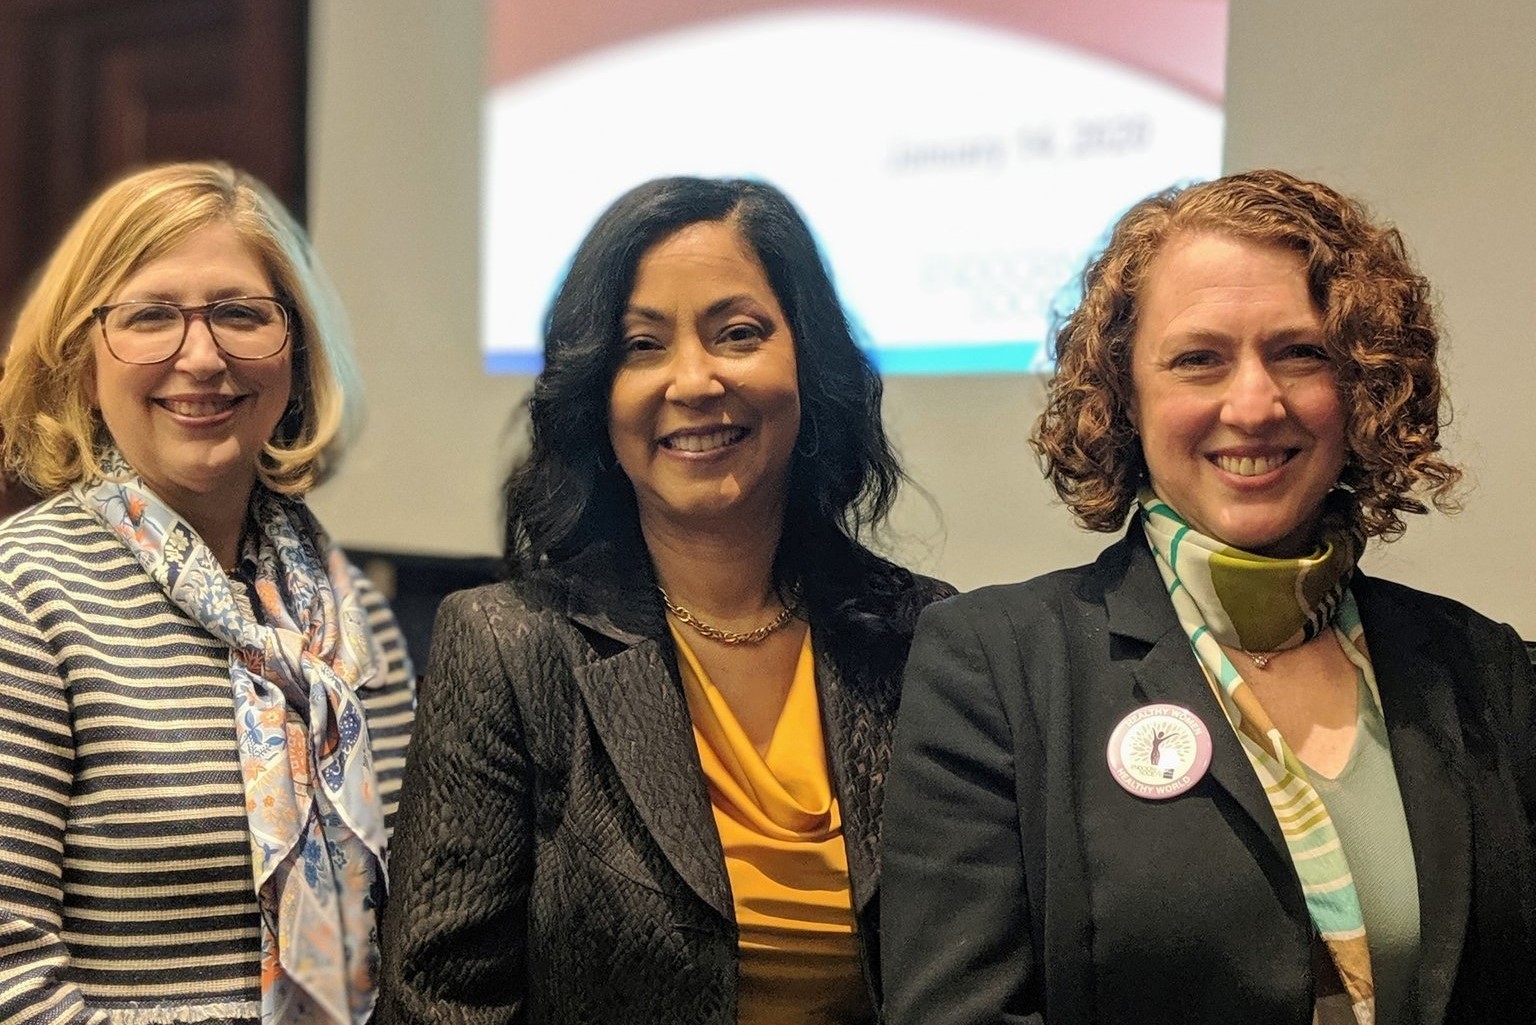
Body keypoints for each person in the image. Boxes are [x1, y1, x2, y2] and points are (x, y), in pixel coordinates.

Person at [880, 169, 1536, 1025]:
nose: (1255, 403)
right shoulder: (995, 666)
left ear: (1364, 384)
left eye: (1301, 353)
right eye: (1199, 359)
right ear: (1124, 395)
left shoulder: (1484, 670)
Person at [378, 177, 951, 1025]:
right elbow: (440, 1002)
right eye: (642, 345)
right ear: (597, 394)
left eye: (739, 333)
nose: (693, 379)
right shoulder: (509, 647)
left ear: (810, 362)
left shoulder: (923, 638)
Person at [0, 162, 416, 1025]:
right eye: (150, 315)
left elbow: (418, 913)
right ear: (82, 363)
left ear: (294, 357)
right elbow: (10, 971)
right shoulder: (23, 591)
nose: (202, 355)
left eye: (239, 313)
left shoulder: (349, 603)